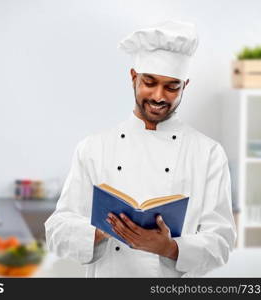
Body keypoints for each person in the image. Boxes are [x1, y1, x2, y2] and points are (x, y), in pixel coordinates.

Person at [45, 20, 236, 277]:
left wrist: (170, 248)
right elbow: (57, 230)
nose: (159, 96)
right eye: (150, 82)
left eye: (172, 87)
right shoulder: (93, 148)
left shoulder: (208, 153)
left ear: (185, 86)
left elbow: (221, 242)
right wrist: (102, 230)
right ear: (134, 77)